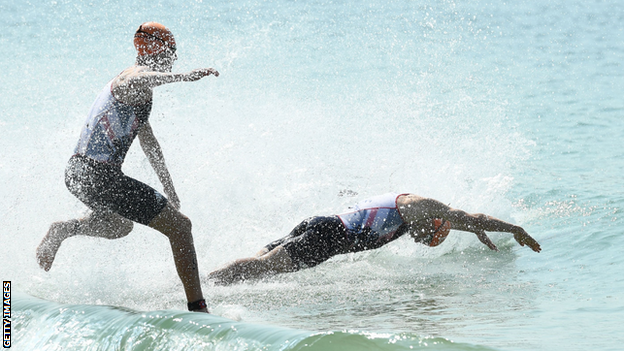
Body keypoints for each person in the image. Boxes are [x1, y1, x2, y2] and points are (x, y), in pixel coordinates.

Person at [36, 22, 219, 312]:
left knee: (118, 225)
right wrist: (185, 77)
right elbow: (143, 77)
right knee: (181, 228)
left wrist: (169, 187)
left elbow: (150, 144)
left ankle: (63, 229)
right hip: (98, 175)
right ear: (159, 49)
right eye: (172, 53)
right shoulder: (132, 78)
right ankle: (198, 308)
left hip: (79, 173)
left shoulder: (139, 93)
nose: (173, 59)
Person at [208, 193, 541, 285]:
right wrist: (515, 229)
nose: (423, 241)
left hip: (321, 225)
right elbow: (468, 216)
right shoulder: (414, 206)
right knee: (260, 269)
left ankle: (210, 282)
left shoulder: (414, 220)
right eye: (430, 237)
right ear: (433, 220)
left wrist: (473, 230)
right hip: (327, 236)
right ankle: (205, 286)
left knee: (258, 265)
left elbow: (464, 221)